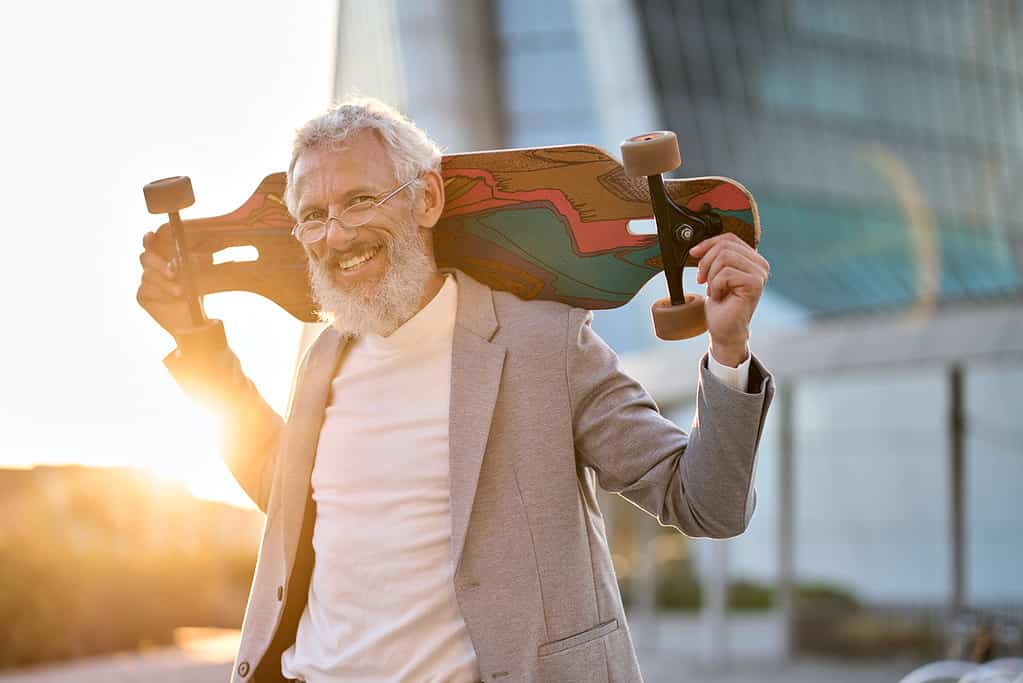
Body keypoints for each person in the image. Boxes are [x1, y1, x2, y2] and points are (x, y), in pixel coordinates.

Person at [137, 96, 774, 683]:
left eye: (361, 200)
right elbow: (285, 496)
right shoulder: (323, 359)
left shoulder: (541, 344)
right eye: (313, 217)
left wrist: (726, 350)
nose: (338, 235)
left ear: (427, 200)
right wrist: (197, 346)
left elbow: (705, 504)